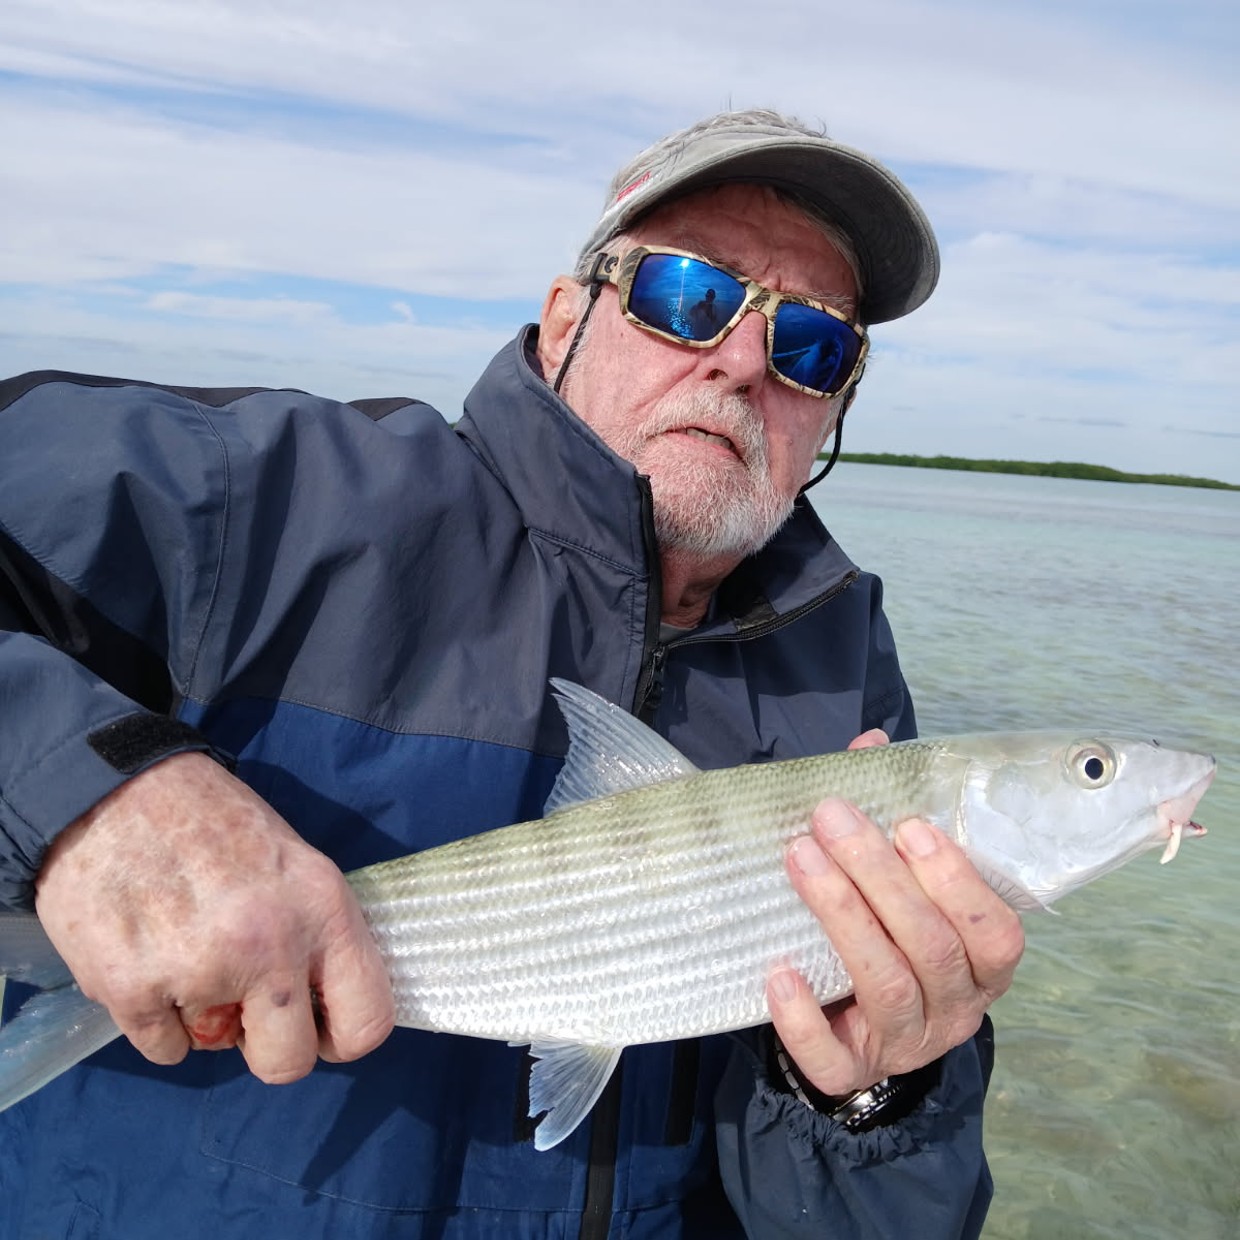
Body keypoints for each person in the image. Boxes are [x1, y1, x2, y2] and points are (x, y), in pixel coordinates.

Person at [0, 109, 1023, 1238]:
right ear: (563, 318)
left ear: (832, 405)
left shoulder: (844, 675)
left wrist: (878, 1093)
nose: (741, 360)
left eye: (812, 344)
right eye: (687, 293)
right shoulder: (271, 496)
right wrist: (86, 787)